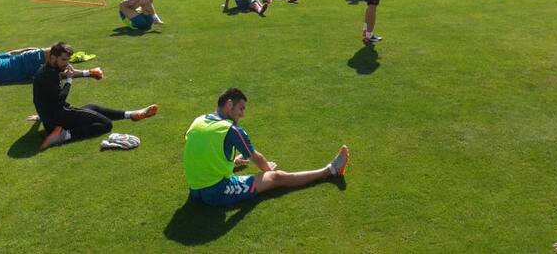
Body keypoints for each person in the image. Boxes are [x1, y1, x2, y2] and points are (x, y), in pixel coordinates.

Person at [183, 87, 349, 206]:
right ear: (229, 104)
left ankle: (329, 170)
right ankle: (330, 170)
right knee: (276, 177)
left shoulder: (198, 121)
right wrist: (268, 170)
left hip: (195, 189)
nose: (242, 114)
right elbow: (256, 157)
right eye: (241, 108)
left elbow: (200, 152)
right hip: (216, 192)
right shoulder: (231, 129)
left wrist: (232, 162)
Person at [33, 42, 158, 151]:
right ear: (53, 57)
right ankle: (64, 135)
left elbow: (41, 99)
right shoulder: (49, 76)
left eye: (68, 60)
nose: (67, 63)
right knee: (106, 124)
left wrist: (42, 116)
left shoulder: (46, 70)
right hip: (59, 117)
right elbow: (60, 99)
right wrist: (69, 80)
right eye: (64, 60)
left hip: (52, 118)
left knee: (92, 107)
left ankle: (131, 114)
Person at [0, 46, 102, 87]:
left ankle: (68, 59)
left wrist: (30, 49)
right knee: (56, 74)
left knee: (54, 51)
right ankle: (90, 72)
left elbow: (11, 53)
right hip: (26, 74)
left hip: (25, 58)